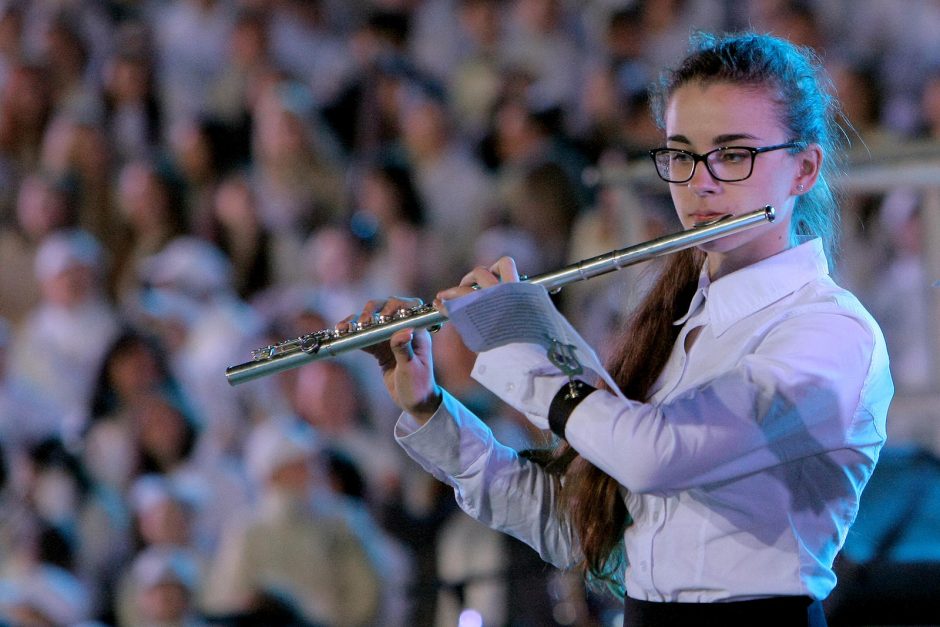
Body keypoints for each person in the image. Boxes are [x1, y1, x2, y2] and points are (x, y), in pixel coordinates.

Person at [348, 32, 894, 626]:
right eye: (682, 154)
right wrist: (432, 409)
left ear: (804, 168)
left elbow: (655, 457)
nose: (701, 183)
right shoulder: (680, 322)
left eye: (733, 154)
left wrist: (519, 339)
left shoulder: (831, 334)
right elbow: (575, 529)